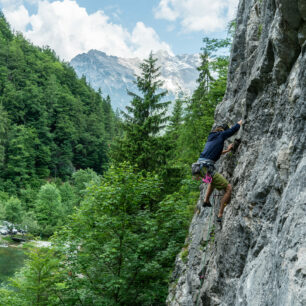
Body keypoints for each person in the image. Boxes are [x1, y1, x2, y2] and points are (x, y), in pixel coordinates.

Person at [194, 120, 242, 222]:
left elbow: (216, 153)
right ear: (222, 130)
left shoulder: (211, 138)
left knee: (212, 181)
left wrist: (228, 150)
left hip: (199, 167)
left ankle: (206, 200)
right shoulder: (221, 135)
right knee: (228, 188)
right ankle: (220, 214)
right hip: (206, 168)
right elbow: (233, 130)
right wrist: (240, 122)